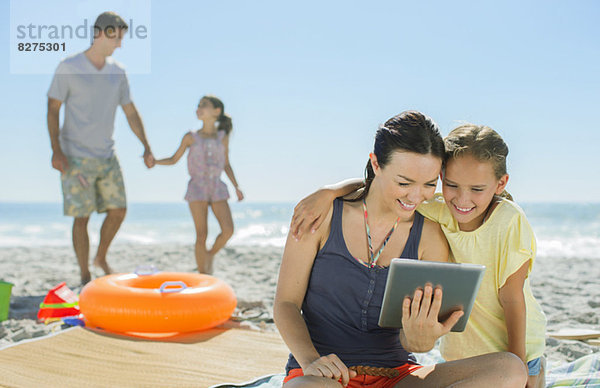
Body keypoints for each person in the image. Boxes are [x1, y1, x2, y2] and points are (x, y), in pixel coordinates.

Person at [274, 111, 527, 387]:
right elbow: (286, 304)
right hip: (322, 375)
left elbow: (411, 339)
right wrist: (310, 360)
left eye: (430, 184)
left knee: (510, 368)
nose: (416, 196)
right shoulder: (319, 216)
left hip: (396, 376)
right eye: (404, 183)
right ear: (376, 164)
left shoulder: (430, 235)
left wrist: (421, 338)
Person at [47, 11, 155, 285]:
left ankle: (100, 257)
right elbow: (52, 109)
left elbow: (130, 112)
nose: (120, 44)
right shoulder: (68, 67)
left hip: (107, 155)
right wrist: (56, 150)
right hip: (74, 156)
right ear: (100, 34)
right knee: (81, 217)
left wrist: (146, 145)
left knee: (118, 210)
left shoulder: (117, 72)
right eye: (116, 37)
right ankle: (84, 273)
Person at [155, 95, 244, 274]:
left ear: (216, 111)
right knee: (201, 234)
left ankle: (210, 255)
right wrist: (155, 161)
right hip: (197, 188)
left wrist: (236, 186)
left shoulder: (222, 137)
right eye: (198, 105)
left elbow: (226, 163)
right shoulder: (191, 137)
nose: (199, 108)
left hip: (217, 187)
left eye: (204, 105)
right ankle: (203, 274)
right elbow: (173, 159)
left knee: (228, 230)